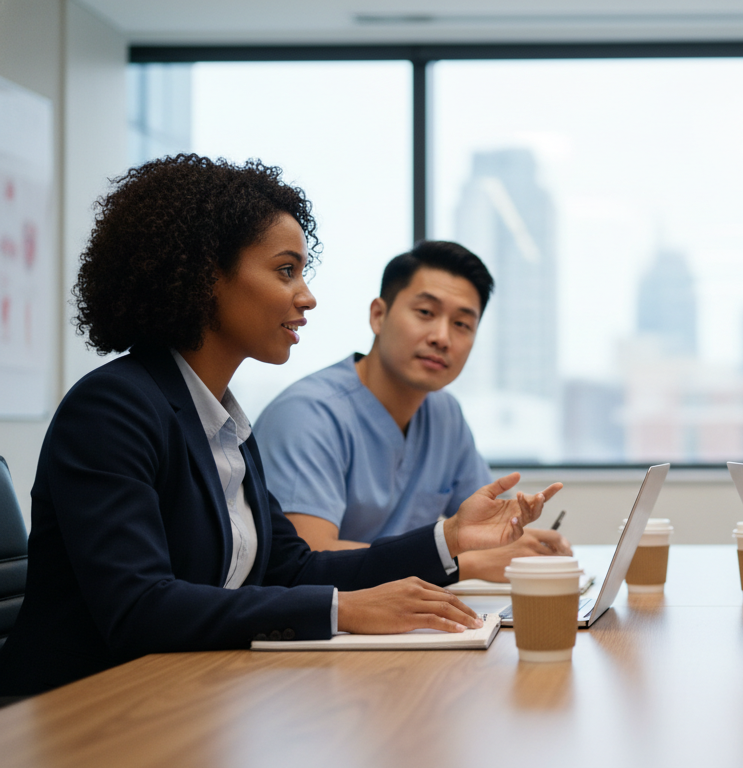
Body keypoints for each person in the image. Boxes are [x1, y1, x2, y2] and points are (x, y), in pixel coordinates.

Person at [0, 155, 558, 696]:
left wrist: (450, 537)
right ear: (204, 276)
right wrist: (342, 609)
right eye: (285, 270)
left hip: (187, 697)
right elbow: (140, 606)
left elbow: (290, 568)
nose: (307, 296)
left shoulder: (220, 421)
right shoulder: (112, 409)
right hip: (77, 712)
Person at [253, 242, 569, 581]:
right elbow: (310, 559)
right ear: (378, 315)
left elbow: (483, 533)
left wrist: (522, 544)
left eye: (462, 324)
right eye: (425, 313)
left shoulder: (445, 415)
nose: (442, 337)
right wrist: (463, 566)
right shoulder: (308, 415)